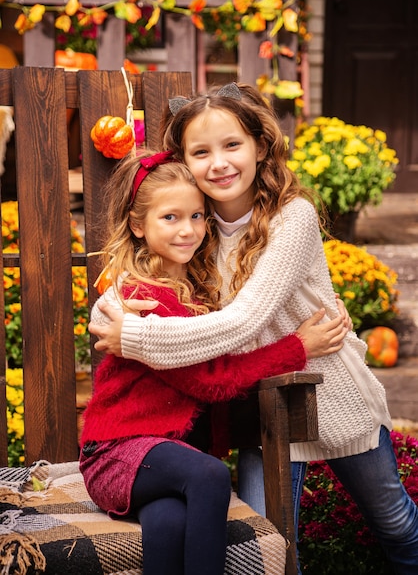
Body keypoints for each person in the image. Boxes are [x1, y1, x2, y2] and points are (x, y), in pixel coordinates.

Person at [89, 84, 418, 575]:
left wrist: (134, 339)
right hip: (261, 410)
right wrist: (108, 316)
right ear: (183, 161)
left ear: (261, 147)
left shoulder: (293, 217)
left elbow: (243, 321)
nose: (219, 163)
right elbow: (131, 289)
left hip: (330, 393)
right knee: (268, 548)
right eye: (201, 152)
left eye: (232, 145)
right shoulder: (194, 228)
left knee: (393, 522)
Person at [80, 149, 347, 575]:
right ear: (137, 224)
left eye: (198, 216)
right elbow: (212, 380)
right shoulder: (142, 299)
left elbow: (249, 324)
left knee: (168, 523)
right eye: (170, 217)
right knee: (209, 475)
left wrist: (327, 308)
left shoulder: (198, 292)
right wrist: (298, 346)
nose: (188, 230)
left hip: (162, 469)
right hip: (117, 455)